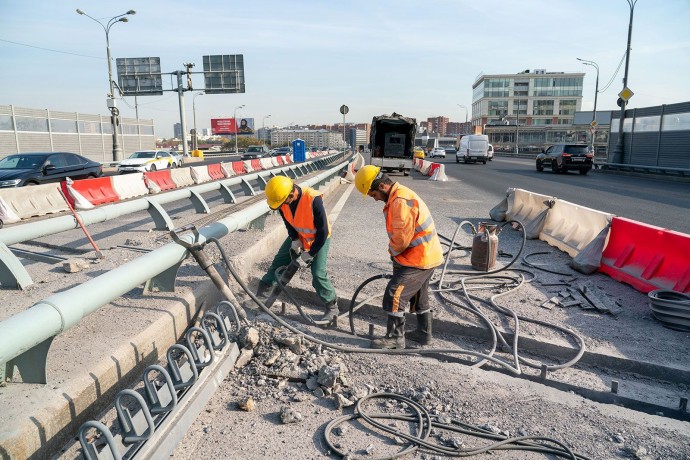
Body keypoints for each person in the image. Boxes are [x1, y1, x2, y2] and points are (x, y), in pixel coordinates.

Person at [354, 165, 444, 349]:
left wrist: (393, 254)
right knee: (419, 296)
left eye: (373, 195)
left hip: (419, 259)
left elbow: (401, 240)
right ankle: (423, 334)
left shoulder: (399, 201)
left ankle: (395, 338)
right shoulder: (399, 194)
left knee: (395, 295)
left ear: (381, 187)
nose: (375, 199)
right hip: (427, 255)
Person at [256, 176, 338, 320]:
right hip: (299, 236)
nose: (282, 206)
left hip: (319, 239)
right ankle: (261, 297)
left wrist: (310, 254)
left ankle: (332, 307)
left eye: (283, 202)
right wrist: (294, 239)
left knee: (318, 273)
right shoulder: (282, 201)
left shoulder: (313, 199)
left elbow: (323, 231)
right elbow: (288, 222)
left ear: (292, 194)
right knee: (279, 261)